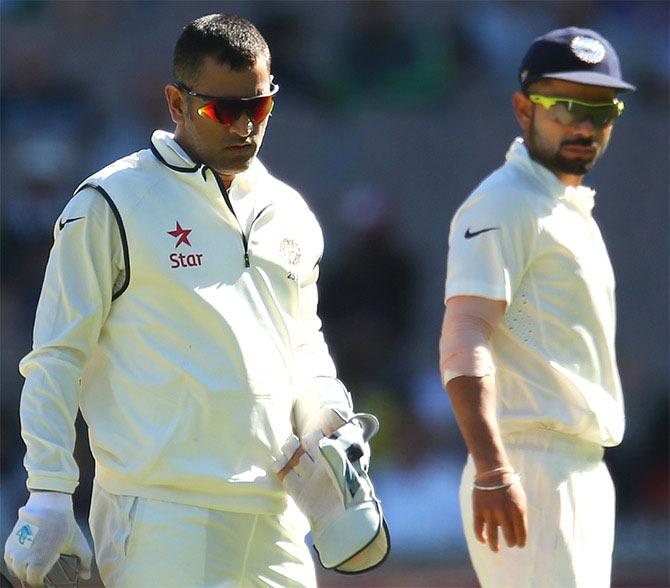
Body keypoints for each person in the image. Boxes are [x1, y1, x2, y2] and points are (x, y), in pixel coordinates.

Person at [4, 14, 385, 587]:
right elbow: (56, 359)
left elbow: (302, 346)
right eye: (223, 111)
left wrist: (328, 419)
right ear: (175, 103)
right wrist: (50, 494)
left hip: (274, 517)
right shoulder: (112, 202)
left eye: (258, 108)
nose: (244, 128)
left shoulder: (291, 213)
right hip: (158, 516)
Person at [439, 27, 635, 587]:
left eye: (601, 109)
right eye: (565, 106)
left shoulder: (564, 206)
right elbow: (464, 336)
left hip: (574, 467)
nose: (583, 125)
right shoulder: (506, 201)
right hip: (528, 466)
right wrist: (494, 470)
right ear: (524, 108)